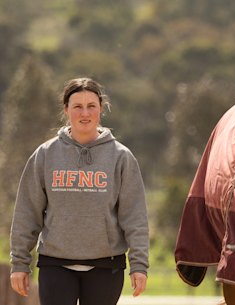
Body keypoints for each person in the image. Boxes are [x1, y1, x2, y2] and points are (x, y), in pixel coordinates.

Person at [9, 77, 149, 305]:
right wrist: (19, 263)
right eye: (77, 106)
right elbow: (27, 212)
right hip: (55, 263)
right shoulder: (45, 155)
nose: (85, 113)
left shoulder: (121, 157)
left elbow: (135, 217)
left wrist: (139, 264)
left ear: (101, 109)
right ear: (66, 110)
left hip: (106, 265)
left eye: (91, 106)